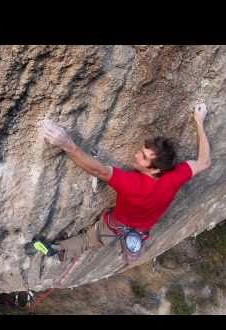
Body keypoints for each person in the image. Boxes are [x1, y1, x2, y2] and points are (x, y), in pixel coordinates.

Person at [26, 103, 211, 263]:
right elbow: (204, 162)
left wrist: (67, 144)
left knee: (87, 240)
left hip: (116, 224)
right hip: (141, 230)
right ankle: (61, 252)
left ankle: (55, 250)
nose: (137, 155)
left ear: (155, 169)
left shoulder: (133, 184)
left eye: (144, 157)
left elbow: (97, 170)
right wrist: (199, 121)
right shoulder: (176, 176)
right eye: (142, 151)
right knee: (92, 242)